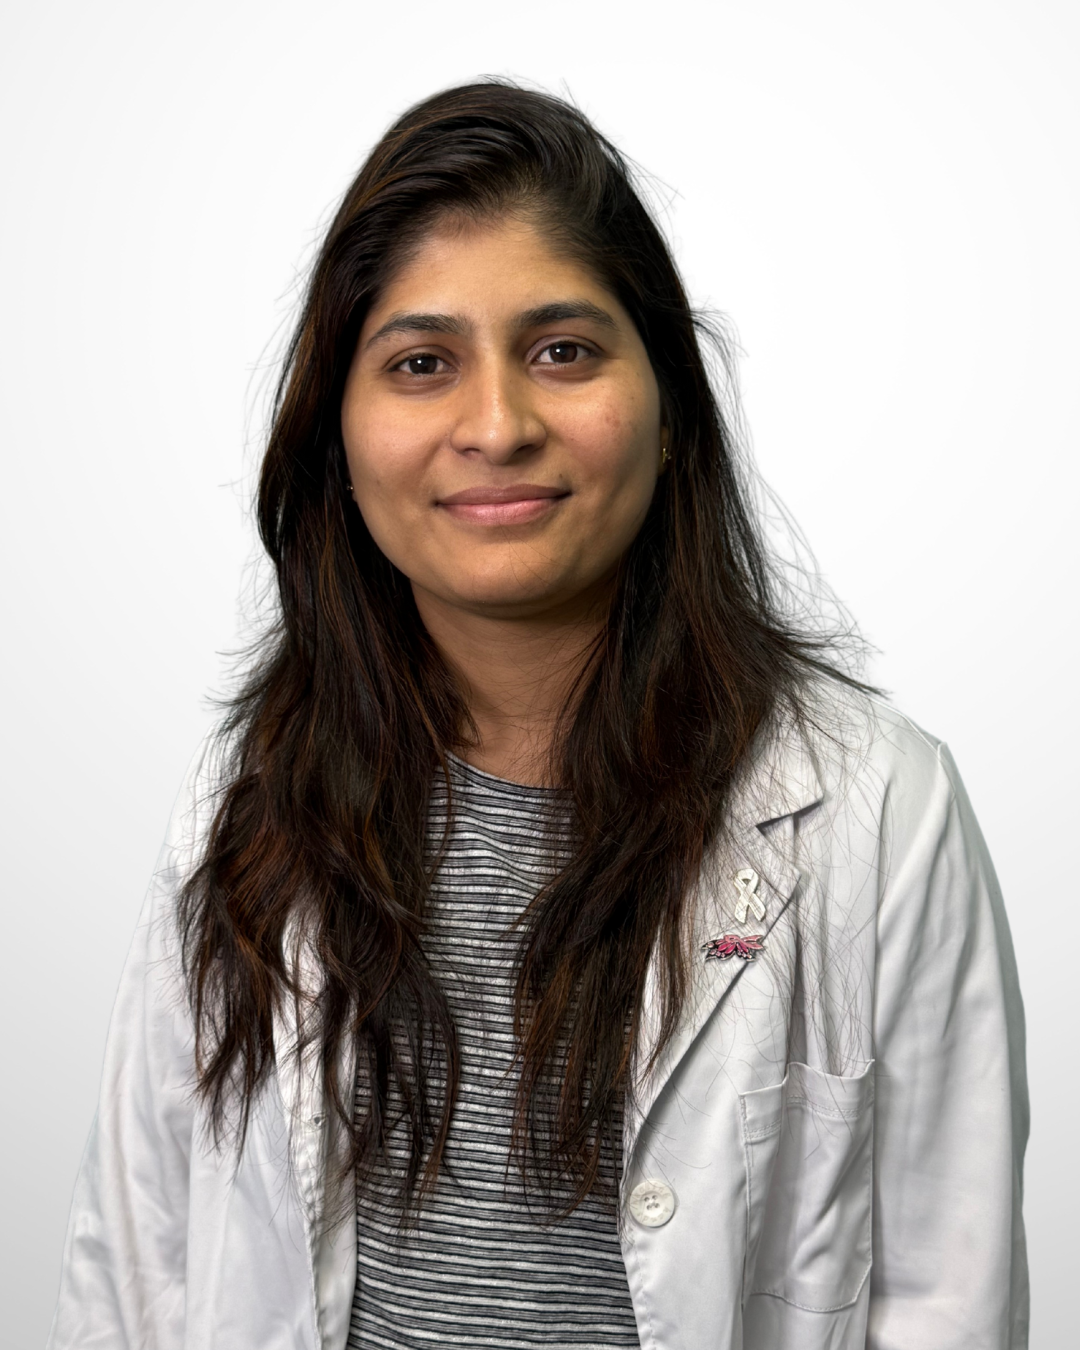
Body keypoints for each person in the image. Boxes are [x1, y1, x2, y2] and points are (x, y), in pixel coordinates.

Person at [47, 81, 1028, 1350]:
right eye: (420, 363)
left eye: (563, 350)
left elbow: (948, 1304)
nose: (498, 426)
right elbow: (136, 1271)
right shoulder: (253, 790)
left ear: (671, 409)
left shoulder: (877, 808)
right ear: (337, 435)